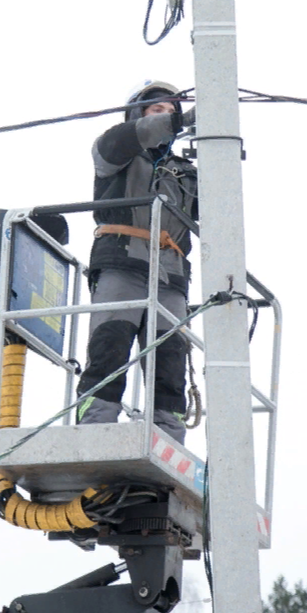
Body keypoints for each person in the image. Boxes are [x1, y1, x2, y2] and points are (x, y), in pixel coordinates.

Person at [76, 80, 198, 444]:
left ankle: (168, 439)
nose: (166, 116)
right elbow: (122, 141)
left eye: (171, 111)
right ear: (138, 114)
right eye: (156, 110)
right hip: (122, 262)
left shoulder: (186, 171)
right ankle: (95, 430)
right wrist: (180, 120)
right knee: (110, 348)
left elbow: (220, 211)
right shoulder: (117, 151)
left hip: (170, 277)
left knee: (171, 362)